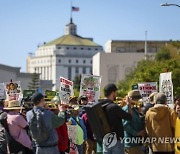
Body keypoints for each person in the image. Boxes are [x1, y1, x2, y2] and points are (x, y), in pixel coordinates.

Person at [100, 83, 132, 154]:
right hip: (116, 140)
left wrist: (119, 108)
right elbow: (129, 117)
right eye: (115, 92)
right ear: (112, 93)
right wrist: (129, 105)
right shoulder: (113, 107)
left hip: (106, 140)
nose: (116, 95)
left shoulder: (100, 106)